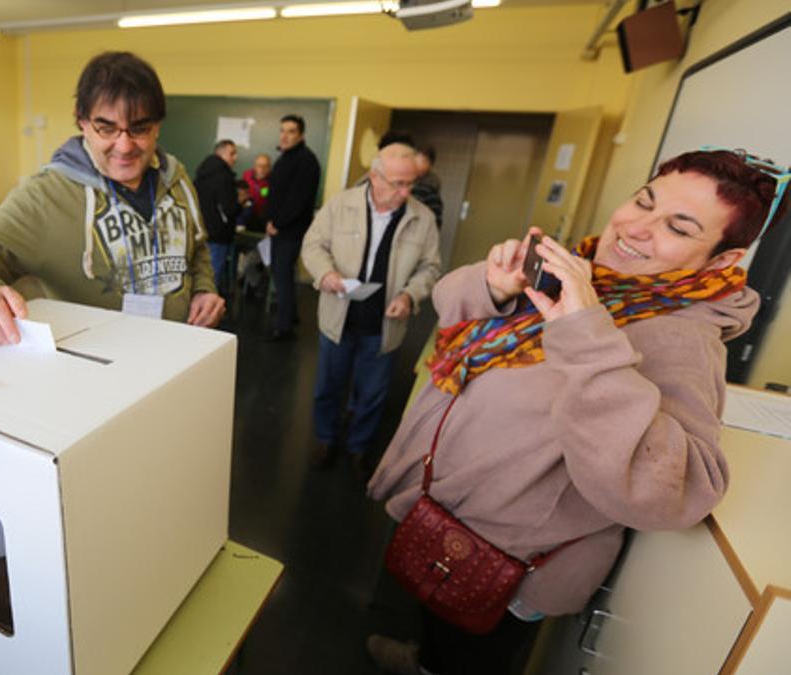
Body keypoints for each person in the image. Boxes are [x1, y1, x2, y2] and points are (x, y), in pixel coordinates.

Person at [364, 148, 787, 675]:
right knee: (434, 618)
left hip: (508, 556)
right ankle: (418, 657)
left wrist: (585, 332)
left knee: (469, 654)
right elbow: (454, 310)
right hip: (447, 512)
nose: (636, 228)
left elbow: (671, 491)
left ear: (722, 260)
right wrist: (493, 287)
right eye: (643, 202)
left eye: (678, 227)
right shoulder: (587, 270)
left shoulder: (682, 340)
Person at [0, 51, 225, 344]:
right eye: (106, 128)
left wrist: (203, 288)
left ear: (158, 125)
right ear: (82, 122)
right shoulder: (48, 194)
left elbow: (197, 249)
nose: (124, 146)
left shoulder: (177, 180)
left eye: (139, 128)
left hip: (177, 349)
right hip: (95, 368)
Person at [301, 144, 441, 478]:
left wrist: (410, 295)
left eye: (411, 184)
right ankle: (325, 439)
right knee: (328, 387)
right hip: (339, 315)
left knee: (372, 394)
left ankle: (359, 447)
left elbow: (431, 268)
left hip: (385, 322)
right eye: (398, 184)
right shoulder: (340, 204)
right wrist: (327, 274)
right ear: (375, 177)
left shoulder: (423, 218)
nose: (406, 193)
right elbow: (313, 245)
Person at [265, 114, 321, 341]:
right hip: (278, 228)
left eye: (291, 131)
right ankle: (291, 316)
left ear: (301, 135)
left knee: (282, 276)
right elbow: (276, 195)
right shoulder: (285, 158)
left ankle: (283, 327)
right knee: (283, 274)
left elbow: (298, 200)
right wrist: (269, 220)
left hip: (289, 231)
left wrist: (277, 223)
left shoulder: (306, 161)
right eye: (282, 130)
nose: (285, 135)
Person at [194, 139, 243, 296]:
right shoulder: (225, 176)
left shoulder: (201, 174)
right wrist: (240, 202)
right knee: (213, 277)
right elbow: (229, 209)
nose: (235, 157)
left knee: (200, 275)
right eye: (232, 153)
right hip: (218, 234)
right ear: (220, 153)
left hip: (200, 231)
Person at [412, 146, 444, 223]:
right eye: (415, 160)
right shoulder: (407, 175)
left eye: (423, 161)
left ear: (430, 164)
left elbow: (434, 214)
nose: (417, 165)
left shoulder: (432, 182)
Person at [241, 153, 272, 231]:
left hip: (264, 217)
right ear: (254, 166)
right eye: (259, 166)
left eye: (265, 166)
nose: (262, 169)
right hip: (246, 215)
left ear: (269, 167)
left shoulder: (273, 180)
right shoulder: (246, 175)